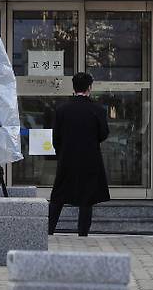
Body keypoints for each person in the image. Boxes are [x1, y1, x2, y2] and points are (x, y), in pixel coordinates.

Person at [48, 72, 110, 237]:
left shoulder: (62, 110)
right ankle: (82, 233)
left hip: (67, 157)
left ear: (74, 88)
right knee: (87, 196)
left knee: (59, 195)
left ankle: (48, 230)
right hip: (90, 157)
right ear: (89, 88)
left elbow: (56, 138)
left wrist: (61, 153)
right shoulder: (97, 109)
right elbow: (103, 134)